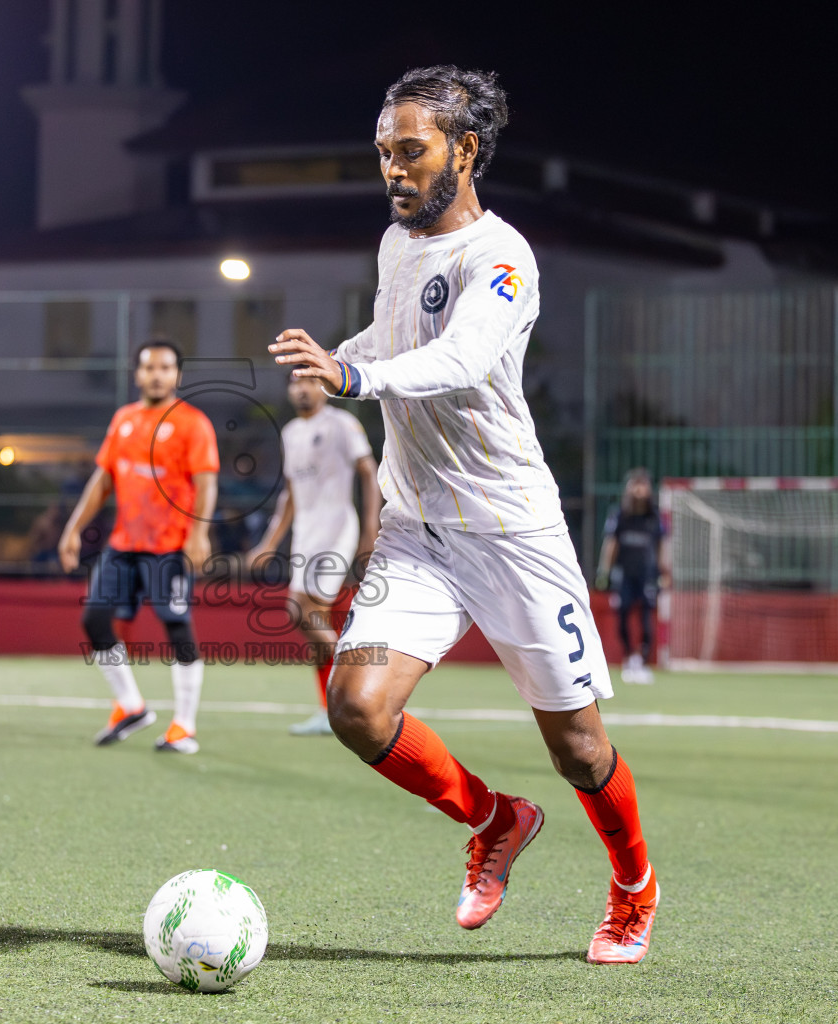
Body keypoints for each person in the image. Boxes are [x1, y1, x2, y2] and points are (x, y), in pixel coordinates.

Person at [269, 66, 657, 964]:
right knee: (357, 709)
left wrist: (356, 379)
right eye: (383, 155)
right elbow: (396, 340)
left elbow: (464, 358)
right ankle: (495, 820)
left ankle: (634, 885)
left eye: (412, 151)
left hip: (513, 533)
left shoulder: (503, 257)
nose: (394, 171)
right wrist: (343, 356)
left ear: (466, 150)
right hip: (419, 530)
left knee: (579, 748)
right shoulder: (396, 246)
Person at [58, 340, 219, 754]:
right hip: (123, 544)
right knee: (94, 621)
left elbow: (206, 482)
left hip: (170, 546)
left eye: (165, 367)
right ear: (138, 374)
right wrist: (73, 528)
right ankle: (131, 706)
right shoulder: (124, 419)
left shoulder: (192, 423)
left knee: (177, 628)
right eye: (149, 367)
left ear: (177, 375)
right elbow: (102, 480)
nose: (156, 374)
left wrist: (199, 534)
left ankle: (184, 727)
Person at [246, 376, 381, 735]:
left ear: (323, 387)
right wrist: (268, 544)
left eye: (309, 380)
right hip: (306, 534)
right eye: (294, 382)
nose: (301, 388)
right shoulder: (290, 432)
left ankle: (361, 686)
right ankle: (330, 711)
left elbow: (370, 474)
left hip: (336, 527)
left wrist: (370, 530)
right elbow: (289, 494)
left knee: (299, 609)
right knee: (312, 622)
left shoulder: (341, 424)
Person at [596, 469, 668, 684]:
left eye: (642, 485)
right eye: (635, 485)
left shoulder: (655, 517)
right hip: (624, 574)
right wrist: (604, 571)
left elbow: (662, 545)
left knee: (646, 617)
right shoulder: (619, 515)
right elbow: (611, 544)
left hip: (647, 575)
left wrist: (664, 572)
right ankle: (629, 658)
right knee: (623, 614)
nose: (639, 490)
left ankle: (643, 662)